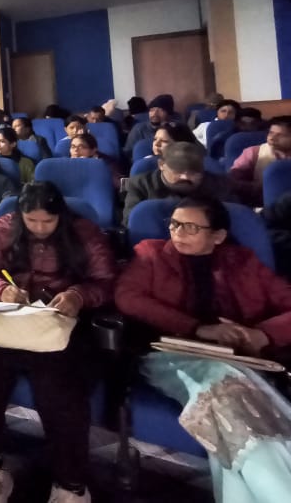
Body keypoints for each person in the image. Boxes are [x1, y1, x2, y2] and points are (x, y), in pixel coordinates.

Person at [115, 195, 291, 501]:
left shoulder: (243, 262)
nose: (178, 233)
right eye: (174, 224)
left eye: (191, 227)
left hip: (242, 359)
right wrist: (196, 328)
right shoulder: (151, 254)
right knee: (225, 388)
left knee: (238, 412)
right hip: (170, 354)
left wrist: (262, 335)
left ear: (218, 236)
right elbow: (127, 297)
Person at [0, 182, 117, 503]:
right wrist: (1, 289)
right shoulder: (4, 227)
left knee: (59, 387)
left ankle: (70, 483)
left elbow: (105, 281)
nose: (38, 228)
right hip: (14, 317)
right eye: (31, 221)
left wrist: (78, 295)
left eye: (47, 221)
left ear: (60, 215)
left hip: (62, 321)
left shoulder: (84, 233)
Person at [123, 142, 233, 226]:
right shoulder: (140, 185)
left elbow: (231, 220)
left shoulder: (218, 184)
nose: (185, 177)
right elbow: (131, 222)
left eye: (193, 173)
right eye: (177, 171)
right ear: (161, 165)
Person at [230, 116, 291, 206]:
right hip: (260, 203)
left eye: (280, 135)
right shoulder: (253, 153)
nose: (272, 138)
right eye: (271, 133)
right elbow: (233, 181)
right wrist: (260, 187)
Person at [124, 94, 175, 159]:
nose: (154, 114)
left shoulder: (174, 129)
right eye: (152, 110)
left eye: (160, 110)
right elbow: (127, 153)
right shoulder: (139, 129)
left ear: (168, 114)